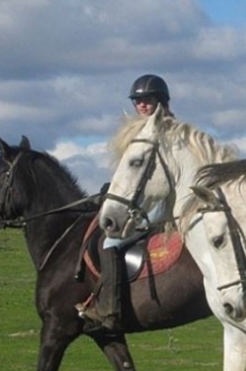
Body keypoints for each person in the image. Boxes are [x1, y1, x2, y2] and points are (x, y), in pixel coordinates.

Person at [76, 74, 173, 332]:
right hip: (144, 201)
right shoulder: (141, 131)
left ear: (160, 101)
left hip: (161, 204)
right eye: (137, 100)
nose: (141, 105)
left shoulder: (166, 130)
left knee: (109, 242)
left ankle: (110, 310)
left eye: (146, 100)